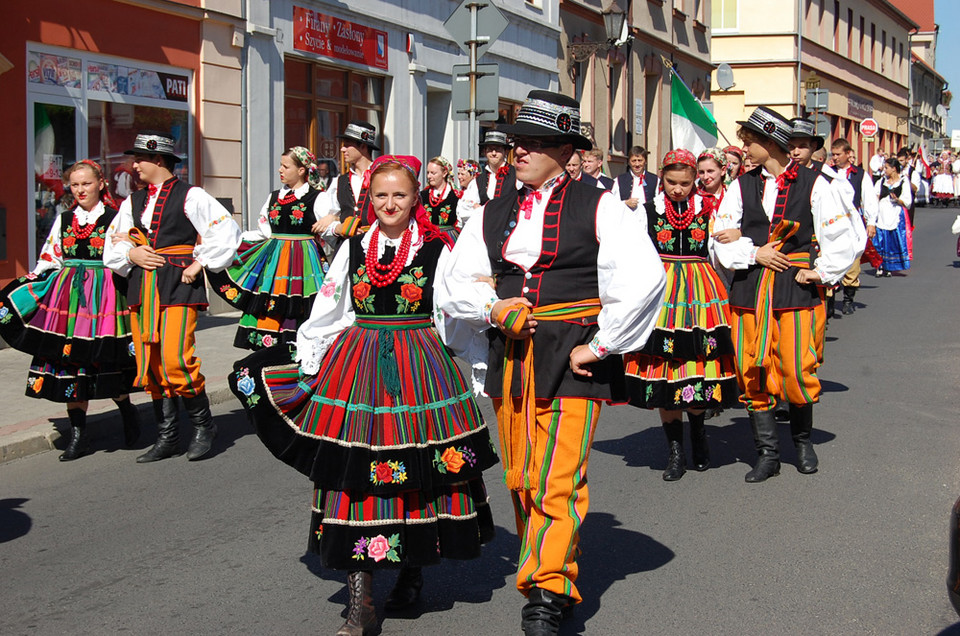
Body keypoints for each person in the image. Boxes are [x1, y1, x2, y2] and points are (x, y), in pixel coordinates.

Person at [229, 155, 497, 636]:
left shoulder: (437, 247)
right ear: (369, 200)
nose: (390, 203)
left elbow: (452, 308)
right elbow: (331, 306)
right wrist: (310, 362)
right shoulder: (354, 248)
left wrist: (476, 338)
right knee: (353, 474)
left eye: (399, 195)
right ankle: (361, 601)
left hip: (420, 364)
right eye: (380, 196)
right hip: (358, 363)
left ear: (415, 198)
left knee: (418, 469)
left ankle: (411, 574)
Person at [437, 90, 665, 635]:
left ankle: (548, 588)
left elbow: (645, 280)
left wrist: (603, 343)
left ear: (566, 150)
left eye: (536, 143)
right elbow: (454, 282)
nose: (520, 151)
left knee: (555, 476)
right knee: (520, 474)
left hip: (572, 357)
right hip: (510, 354)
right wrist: (492, 307)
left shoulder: (600, 204)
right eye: (518, 142)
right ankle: (544, 566)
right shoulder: (491, 211)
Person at [712, 107, 860, 483]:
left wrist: (822, 271)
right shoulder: (740, 186)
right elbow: (720, 236)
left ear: (770, 144)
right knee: (752, 370)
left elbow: (842, 236)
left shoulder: (815, 183)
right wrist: (752, 251)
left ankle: (802, 441)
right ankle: (767, 453)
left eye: (750, 143)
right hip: (750, 287)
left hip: (796, 287)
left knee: (795, 368)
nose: (744, 149)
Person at [103, 131, 242, 463]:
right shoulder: (131, 202)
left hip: (178, 282)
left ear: (158, 160)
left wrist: (199, 262)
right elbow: (113, 242)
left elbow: (226, 232)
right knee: (150, 363)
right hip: (143, 287)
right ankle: (168, 436)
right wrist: (132, 254)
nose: (134, 165)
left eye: (139, 159)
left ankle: (204, 425)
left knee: (176, 358)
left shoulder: (190, 195)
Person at [0, 160, 139, 461]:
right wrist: (31, 286)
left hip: (105, 298)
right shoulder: (63, 220)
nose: (80, 190)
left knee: (106, 360)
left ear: (101, 183)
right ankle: (79, 436)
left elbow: (126, 258)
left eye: (86, 183)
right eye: (75, 185)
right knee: (70, 362)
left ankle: (128, 413)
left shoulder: (116, 218)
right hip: (68, 301)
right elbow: (50, 257)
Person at [623, 149, 739, 481]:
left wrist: (740, 239)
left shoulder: (710, 210)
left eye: (686, 183)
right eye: (672, 182)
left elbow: (722, 252)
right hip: (662, 294)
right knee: (666, 368)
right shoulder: (646, 212)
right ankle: (675, 450)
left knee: (698, 365)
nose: (678, 189)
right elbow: (630, 252)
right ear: (662, 179)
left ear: (695, 180)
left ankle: (699, 431)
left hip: (702, 294)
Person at [208, 146, 330, 350]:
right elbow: (264, 231)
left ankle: (301, 347)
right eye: (280, 166)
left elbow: (330, 230)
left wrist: (332, 218)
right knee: (269, 302)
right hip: (274, 259)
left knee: (302, 303)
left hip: (304, 261)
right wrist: (234, 241)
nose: (280, 170)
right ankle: (269, 347)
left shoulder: (318, 198)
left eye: (285, 166)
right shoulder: (274, 196)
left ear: (301, 170)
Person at [829, 138, 879, 315]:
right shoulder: (827, 173)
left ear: (848, 154)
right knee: (831, 262)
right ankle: (829, 303)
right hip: (832, 223)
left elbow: (869, 198)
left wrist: (871, 222)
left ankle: (848, 299)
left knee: (852, 264)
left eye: (838, 154)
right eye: (833, 154)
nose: (834, 158)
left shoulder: (859, 174)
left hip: (852, 224)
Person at [316, 121, 380, 241]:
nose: (342, 149)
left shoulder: (381, 176)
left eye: (347, 145)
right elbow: (327, 224)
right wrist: (335, 221)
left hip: (376, 244)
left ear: (363, 146)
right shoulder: (340, 182)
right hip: (347, 246)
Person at [458, 130, 518, 224]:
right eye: (490, 149)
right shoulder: (478, 181)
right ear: (485, 152)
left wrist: (481, 209)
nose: (493, 153)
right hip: (486, 230)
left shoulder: (516, 175)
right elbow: (464, 211)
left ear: (505, 152)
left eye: (497, 149)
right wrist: (482, 212)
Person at [873, 157, 913, 277]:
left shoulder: (903, 182)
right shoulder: (881, 182)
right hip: (881, 213)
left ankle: (889, 266)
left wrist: (897, 200)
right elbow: (875, 196)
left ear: (894, 169)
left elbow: (908, 201)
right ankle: (879, 265)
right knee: (879, 240)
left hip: (894, 213)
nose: (884, 170)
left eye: (886, 168)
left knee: (891, 241)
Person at [420, 155, 460, 239]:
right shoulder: (423, 195)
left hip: (448, 240)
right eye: (428, 173)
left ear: (444, 173)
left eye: (433, 173)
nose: (429, 176)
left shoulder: (456, 196)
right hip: (427, 239)